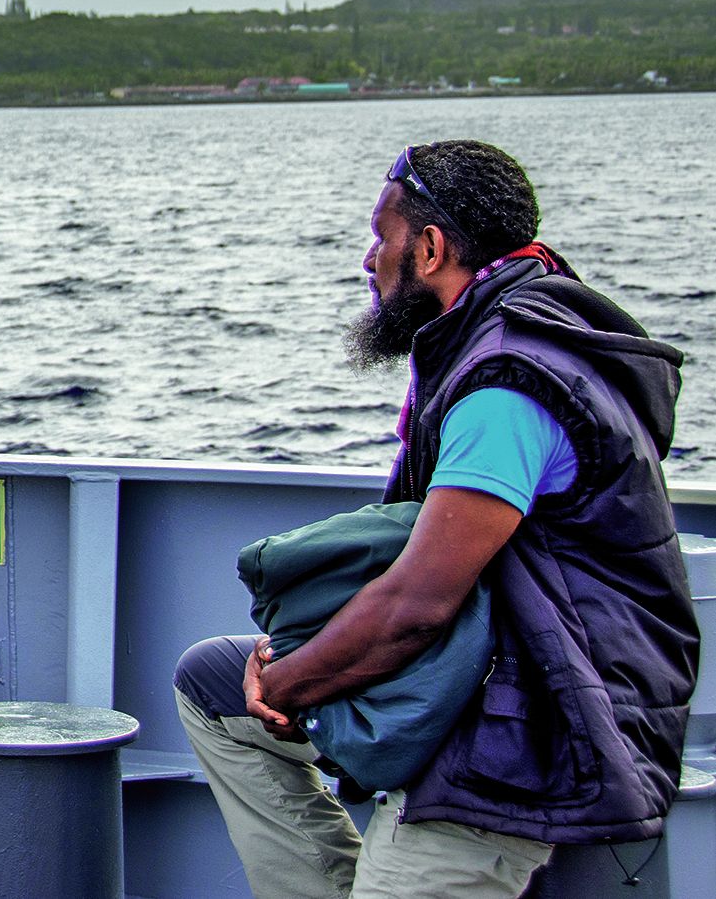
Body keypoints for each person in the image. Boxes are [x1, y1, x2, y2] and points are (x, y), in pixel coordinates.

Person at [173, 140, 699, 899]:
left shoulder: (505, 384)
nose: (367, 259)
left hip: (541, 721)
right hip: (491, 664)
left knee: (262, 688)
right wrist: (287, 671)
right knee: (213, 688)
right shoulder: (495, 331)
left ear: (427, 247)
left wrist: (289, 682)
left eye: (380, 236)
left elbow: (417, 606)